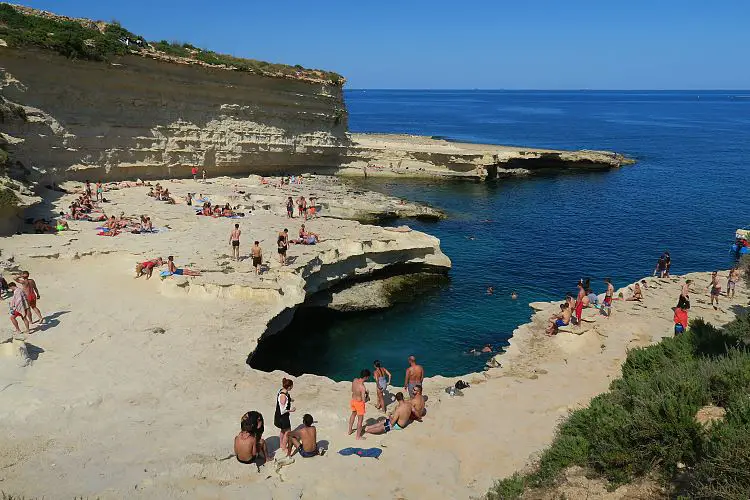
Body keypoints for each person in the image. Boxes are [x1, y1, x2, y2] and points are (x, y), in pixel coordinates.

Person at [274, 378, 295, 455]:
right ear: (289, 387)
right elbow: (282, 410)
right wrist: (291, 410)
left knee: (283, 430)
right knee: (288, 431)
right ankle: (283, 447)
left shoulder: (283, 391)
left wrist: (290, 400)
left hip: (281, 417)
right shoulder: (283, 396)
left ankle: (281, 444)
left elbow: (285, 399)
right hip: (282, 417)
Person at [348, 369, 370, 440]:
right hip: (359, 404)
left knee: (353, 414)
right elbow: (364, 400)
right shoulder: (362, 387)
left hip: (353, 400)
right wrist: (368, 396)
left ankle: (350, 430)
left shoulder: (354, 380)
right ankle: (358, 436)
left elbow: (352, 390)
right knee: (360, 420)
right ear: (366, 377)